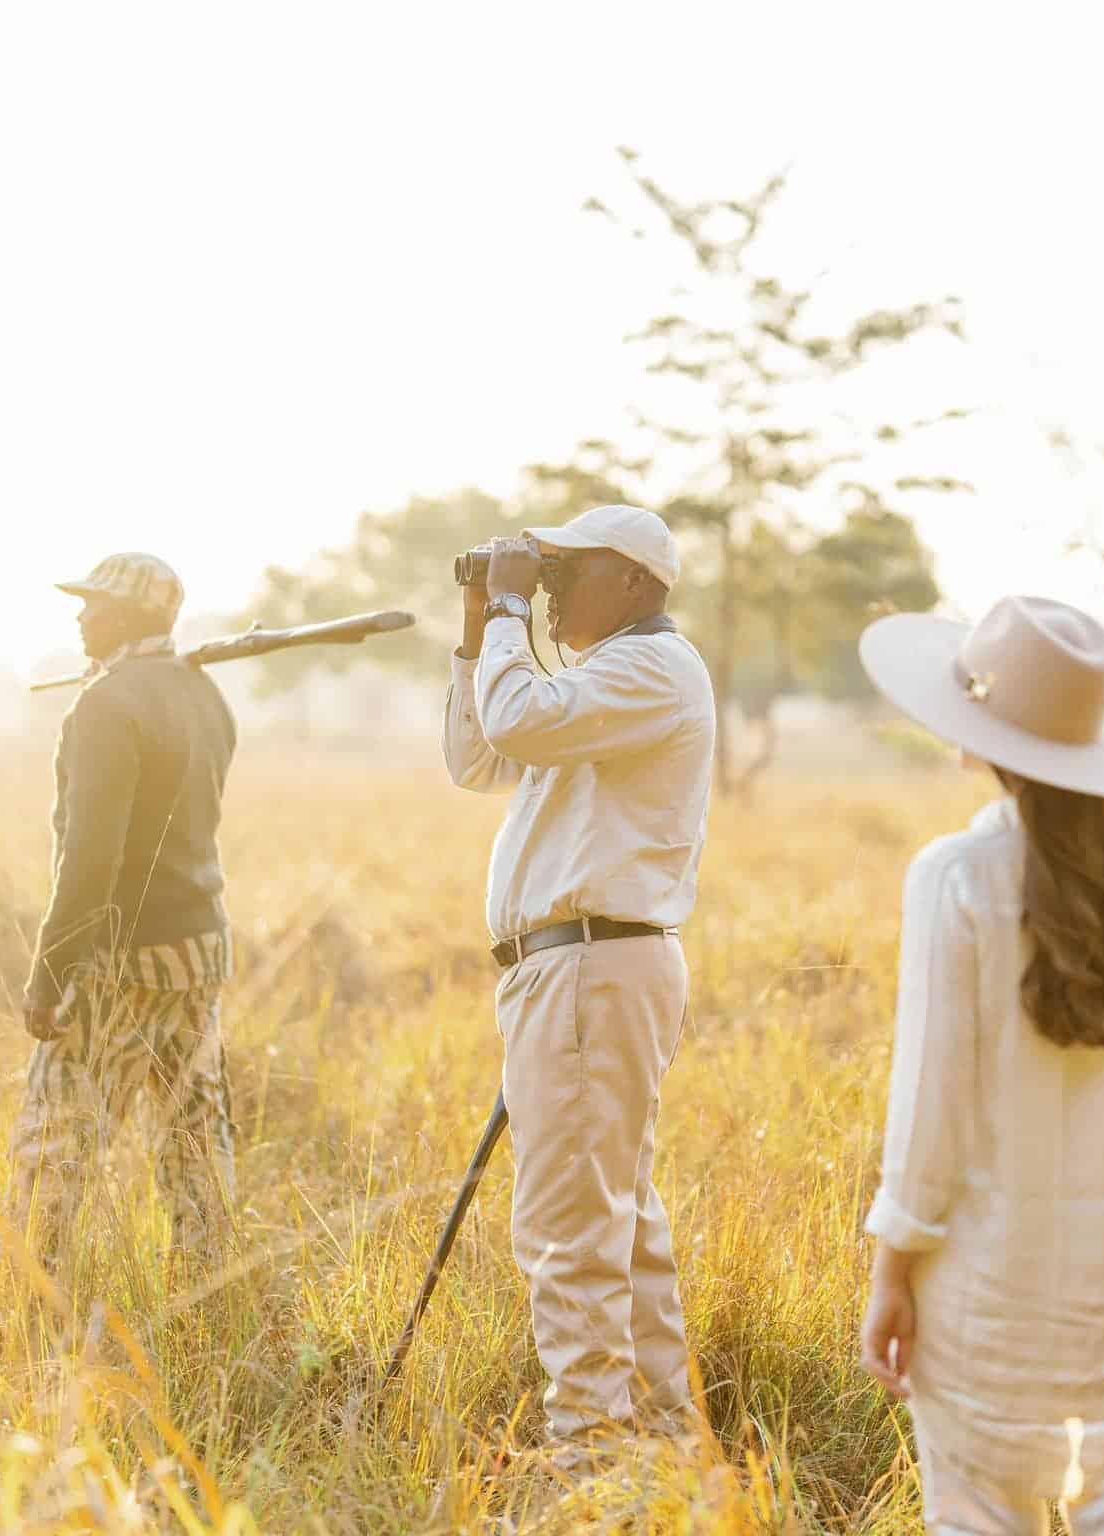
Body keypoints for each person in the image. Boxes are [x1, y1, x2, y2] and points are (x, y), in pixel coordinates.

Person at [854, 595, 1104, 1536]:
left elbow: (929, 1106)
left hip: (986, 1289)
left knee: (979, 1522)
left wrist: (893, 1272)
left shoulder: (955, 878)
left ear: (982, 735)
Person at [441, 504, 716, 1451]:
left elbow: (515, 721)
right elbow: (478, 755)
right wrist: (483, 627)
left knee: (568, 1232)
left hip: (593, 968)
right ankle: (663, 1451)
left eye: (569, 570)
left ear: (637, 581)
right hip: (582, 971)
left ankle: (594, 1465)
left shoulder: (652, 668)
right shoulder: (603, 681)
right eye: (544, 572)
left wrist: (514, 606)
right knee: (616, 1225)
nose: (551, 587)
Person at [7, 552, 239, 1272]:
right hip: (200, 950)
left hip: (122, 960)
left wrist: (50, 977)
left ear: (132, 616)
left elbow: (90, 861)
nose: (81, 616)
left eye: (96, 605)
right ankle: (210, 1295)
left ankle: (29, 1301)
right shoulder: (207, 698)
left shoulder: (105, 707)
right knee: (196, 1135)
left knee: (55, 1138)